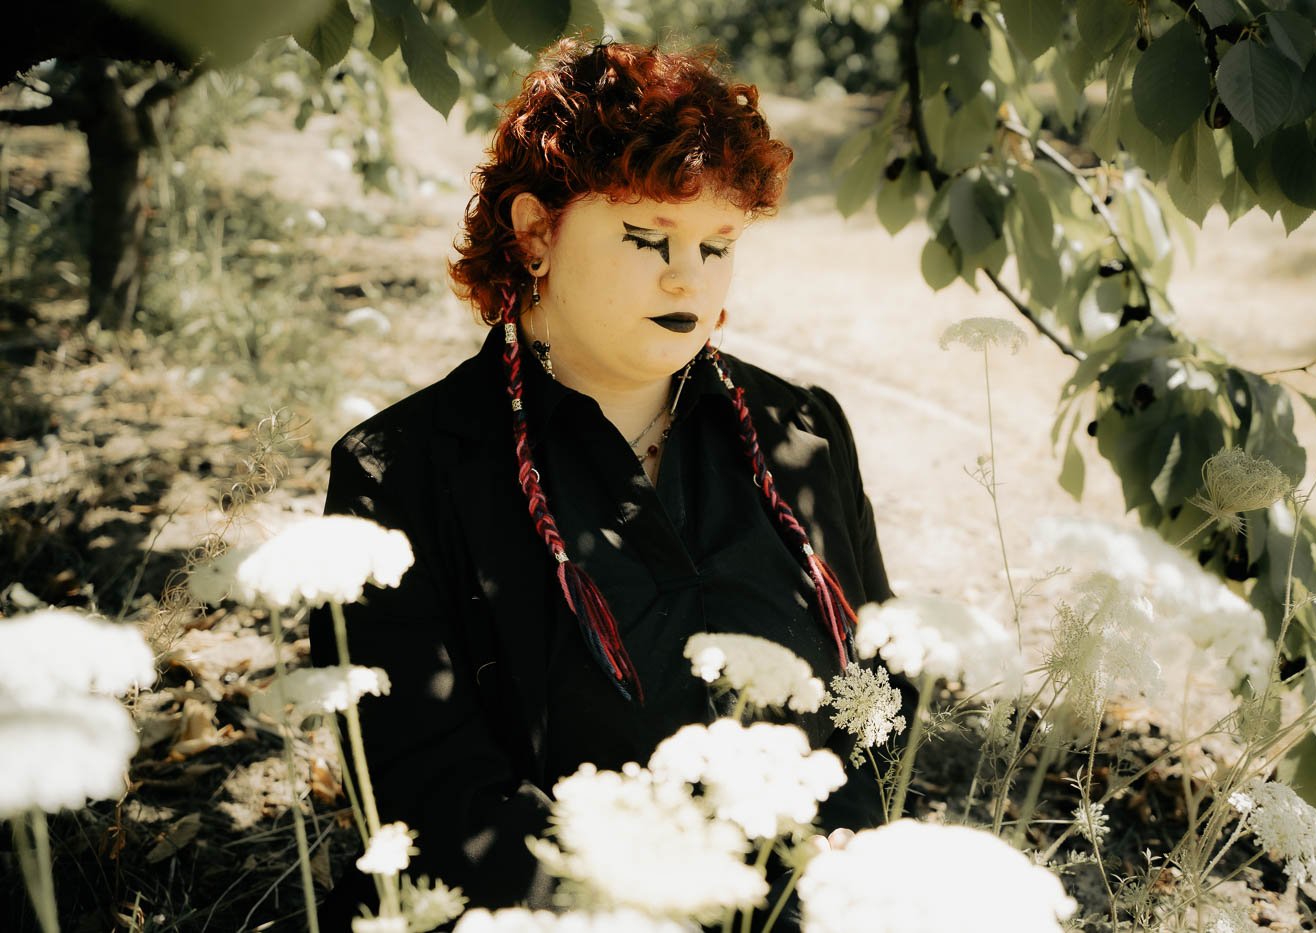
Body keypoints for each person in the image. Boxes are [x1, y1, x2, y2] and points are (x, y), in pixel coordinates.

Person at [310, 38, 898, 930]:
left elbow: (879, 710)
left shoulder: (802, 433)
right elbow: (428, 791)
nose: (686, 275)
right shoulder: (403, 475)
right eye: (647, 235)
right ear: (536, 230)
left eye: (718, 243)